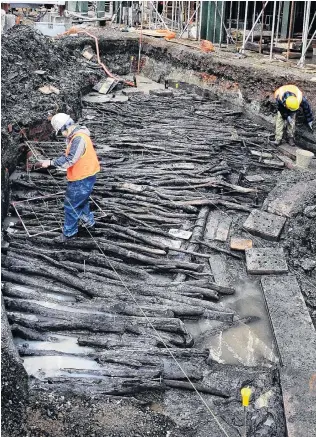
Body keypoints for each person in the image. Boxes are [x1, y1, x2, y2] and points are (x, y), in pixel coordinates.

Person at [40, 113, 100, 243]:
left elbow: (70, 160)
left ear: (65, 128)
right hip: (86, 174)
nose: (61, 135)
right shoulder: (76, 135)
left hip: (82, 177)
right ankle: (89, 222)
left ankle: (69, 234)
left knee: (71, 205)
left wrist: (51, 163)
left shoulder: (79, 138)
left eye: (60, 132)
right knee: (81, 201)